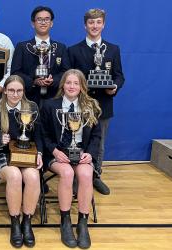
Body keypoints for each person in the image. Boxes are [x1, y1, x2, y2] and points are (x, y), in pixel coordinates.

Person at [41, 69, 102, 249]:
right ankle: (65, 220)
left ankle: (83, 222)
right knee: (67, 173)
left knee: (85, 174)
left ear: (82, 87)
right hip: (58, 153)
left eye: (76, 83)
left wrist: (89, 153)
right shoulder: (51, 106)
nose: (72, 86)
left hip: (81, 152)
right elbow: (43, 133)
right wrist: (53, 151)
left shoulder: (91, 106)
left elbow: (97, 136)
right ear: (63, 85)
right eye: (68, 83)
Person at [67, 8, 125, 195]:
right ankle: (77, 177)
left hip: (103, 105)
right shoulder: (73, 50)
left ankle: (95, 175)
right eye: (91, 22)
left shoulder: (113, 49)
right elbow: (69, 77)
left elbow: (119, 76)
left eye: (98, 22)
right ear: (85, 25)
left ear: (103, 24)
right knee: (77, 140)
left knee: (99, 144)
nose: (94, 26)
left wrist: (114, 87)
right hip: (79, 104)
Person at [0, 75, 43, 248]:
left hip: (26, 154)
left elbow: (38, 136)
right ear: (5, 90)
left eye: (19, 90)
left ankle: (26, 222)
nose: (15, 94)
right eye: (11, 90)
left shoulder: (32, 107)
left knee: (33, 177)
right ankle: (15, 221)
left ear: (24, 91)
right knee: (14, 176)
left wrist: (40, 154)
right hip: (2, 155)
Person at [11, 6, 70, 105]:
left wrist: (53, 80)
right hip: (28, 99)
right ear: (33, 23)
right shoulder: (22, 47)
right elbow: (15, 72)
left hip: (54, 99)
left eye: (47, 19)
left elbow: (66, 72)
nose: (43, 22)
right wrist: (33, 82)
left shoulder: (61, 48)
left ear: (51, 23)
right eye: (39, 19)